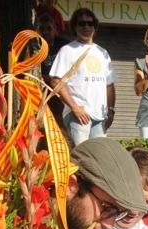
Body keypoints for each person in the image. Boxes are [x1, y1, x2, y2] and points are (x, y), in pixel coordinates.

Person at [49, 8, 114, 145]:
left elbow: (109, 85)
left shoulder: (103, 52)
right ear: (74, 26)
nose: (86, 27)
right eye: (81, 23)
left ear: (95, 27)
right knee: (82, 157)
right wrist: (75, 107)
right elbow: (56, 81)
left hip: (100, 116)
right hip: (77, 115)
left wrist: (111, 110)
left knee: (98, 158)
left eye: (90, 24)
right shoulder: (67, 50)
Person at [33, 11, 68, 128]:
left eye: (49, 28)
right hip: (39, 95)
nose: (45, 31)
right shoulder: (33, 47)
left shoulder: (64, 45)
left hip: (61, 94)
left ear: (55, 29)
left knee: (61, 127)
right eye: (42, 28)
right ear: (37, 30)